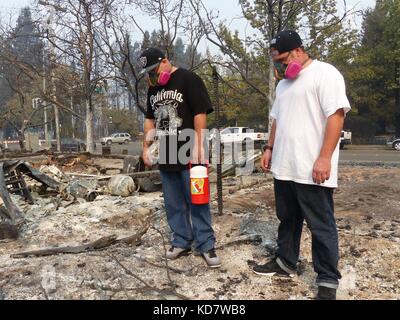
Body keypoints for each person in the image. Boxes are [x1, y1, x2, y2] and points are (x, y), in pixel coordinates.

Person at [252, 30, 351, 300]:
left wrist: (324, 158)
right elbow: (276, 119)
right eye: (275, 62)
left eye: (281, 60)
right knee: (288, 219)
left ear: (298, 50)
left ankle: (328, 280)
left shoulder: (325, 74)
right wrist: (269, 148)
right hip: (285, 166)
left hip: (312, 168)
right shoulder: (283, 85)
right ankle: (286, 261)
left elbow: (336, 117)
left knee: (321, 225)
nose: (278, 67)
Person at [139, 47, 221, 268]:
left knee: (198, 199)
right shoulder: (153, 90)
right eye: (148, 73)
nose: (152, 76)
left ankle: (206, 243)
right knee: (173, 202)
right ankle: (182, 240)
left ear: (165, 61)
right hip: (166, 153)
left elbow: (200, 113)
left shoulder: (189, 79)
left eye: (154, 70)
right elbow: (149, 118)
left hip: (189, 152)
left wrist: (200, 147)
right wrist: (146, 147)